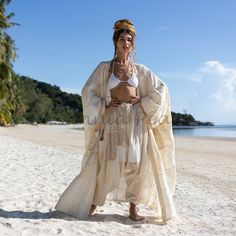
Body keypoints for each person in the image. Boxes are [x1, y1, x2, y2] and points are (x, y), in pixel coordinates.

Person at [55, 19, 176, 223]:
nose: (125, 42)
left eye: (129, 39)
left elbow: (162, 88)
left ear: (132, 44)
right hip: (113, 121)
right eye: (122, 39)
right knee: (107, 162)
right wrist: (103, 105)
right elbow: (87, 91)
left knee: (135, 164)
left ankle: (133, 207)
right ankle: (94, 202)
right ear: (115, 42)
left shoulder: (140, 70)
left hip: (136, 121)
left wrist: (144, 101)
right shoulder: (104, 68)